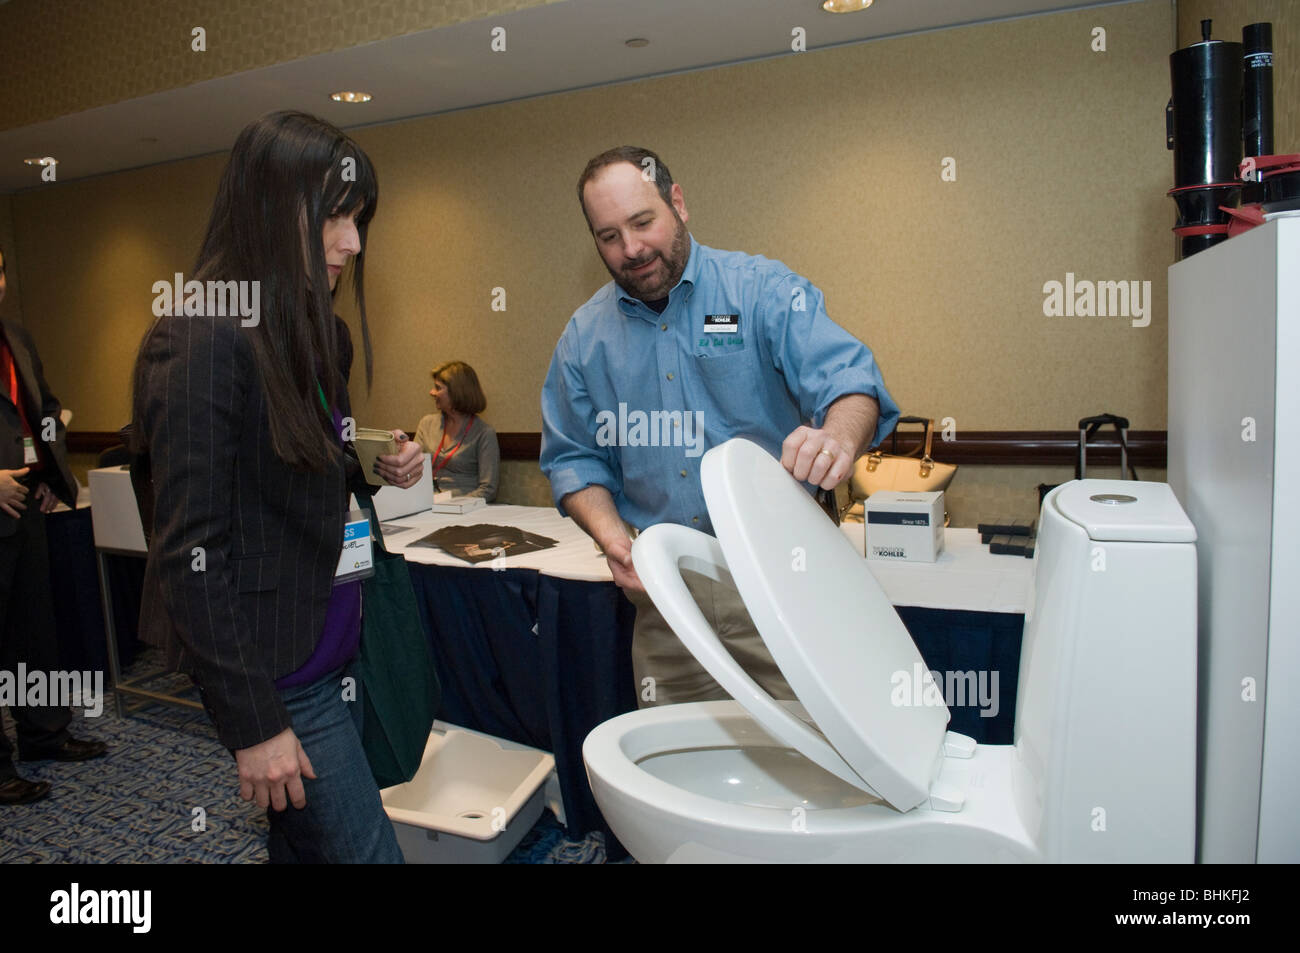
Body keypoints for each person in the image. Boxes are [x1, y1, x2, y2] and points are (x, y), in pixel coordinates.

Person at [130, 112, 423, 862]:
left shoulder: (322, 333)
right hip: (281, 674)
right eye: (334, 216)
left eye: (357, 220)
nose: (353, 243)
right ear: (268, 205)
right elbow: (189, 552)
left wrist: (371, 475)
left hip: (336, 644)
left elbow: (301, 473)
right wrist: (254, 723)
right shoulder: (197, 337)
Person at [540, 146, 900, 707]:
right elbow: (572, 459)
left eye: (643, 222)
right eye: (609, 236)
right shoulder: (584, 339)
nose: (631, 249)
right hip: (666, 607)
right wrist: (611, 536)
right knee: (683, 776)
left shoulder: (761, 291)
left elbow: (850, 382)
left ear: (677, 203)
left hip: (787, 590)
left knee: (815, 769)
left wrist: (837, 436)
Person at [0, 243, 108, 805]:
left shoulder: (16, 335)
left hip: (28, 511)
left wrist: (49, 472)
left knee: (34, 635)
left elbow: (46, 409)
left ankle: (44, 734)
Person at [414, 360, 499, 501]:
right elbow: (412, 469)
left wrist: (456, 505)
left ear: (456, 392)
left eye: (438, 388)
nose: (432, 392)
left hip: (465, 510)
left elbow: (488, 490)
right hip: (426, 505)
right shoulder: (426, 424)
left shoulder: (484, 433)